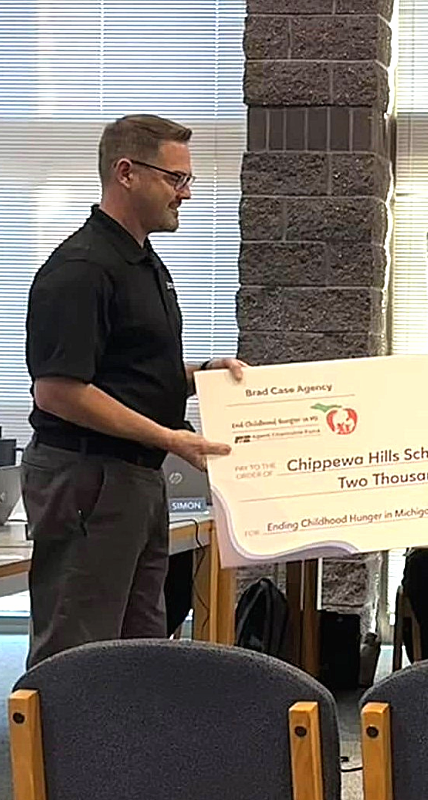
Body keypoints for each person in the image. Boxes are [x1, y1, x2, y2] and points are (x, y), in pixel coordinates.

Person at [22, 114, 246, 668]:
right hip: (88, 478)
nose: (186, 194)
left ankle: (126, 756)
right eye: (175, 179)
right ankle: (66, 757)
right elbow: (59, 391)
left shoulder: (142, 262)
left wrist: (201, 374)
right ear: (126, 173)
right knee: (78, 653)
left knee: (139, 648)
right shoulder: (80, 268)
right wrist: (171, 437)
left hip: (135, 480)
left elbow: (128, 372)